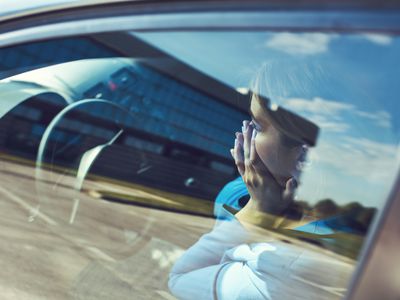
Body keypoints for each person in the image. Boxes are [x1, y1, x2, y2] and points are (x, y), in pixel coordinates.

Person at [168, 64, 353, 299]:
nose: (244, 135)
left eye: (256, 125)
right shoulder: (236, 193)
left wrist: (256, 211)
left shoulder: (303, 258)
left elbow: (183, 279)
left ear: (304, 155)